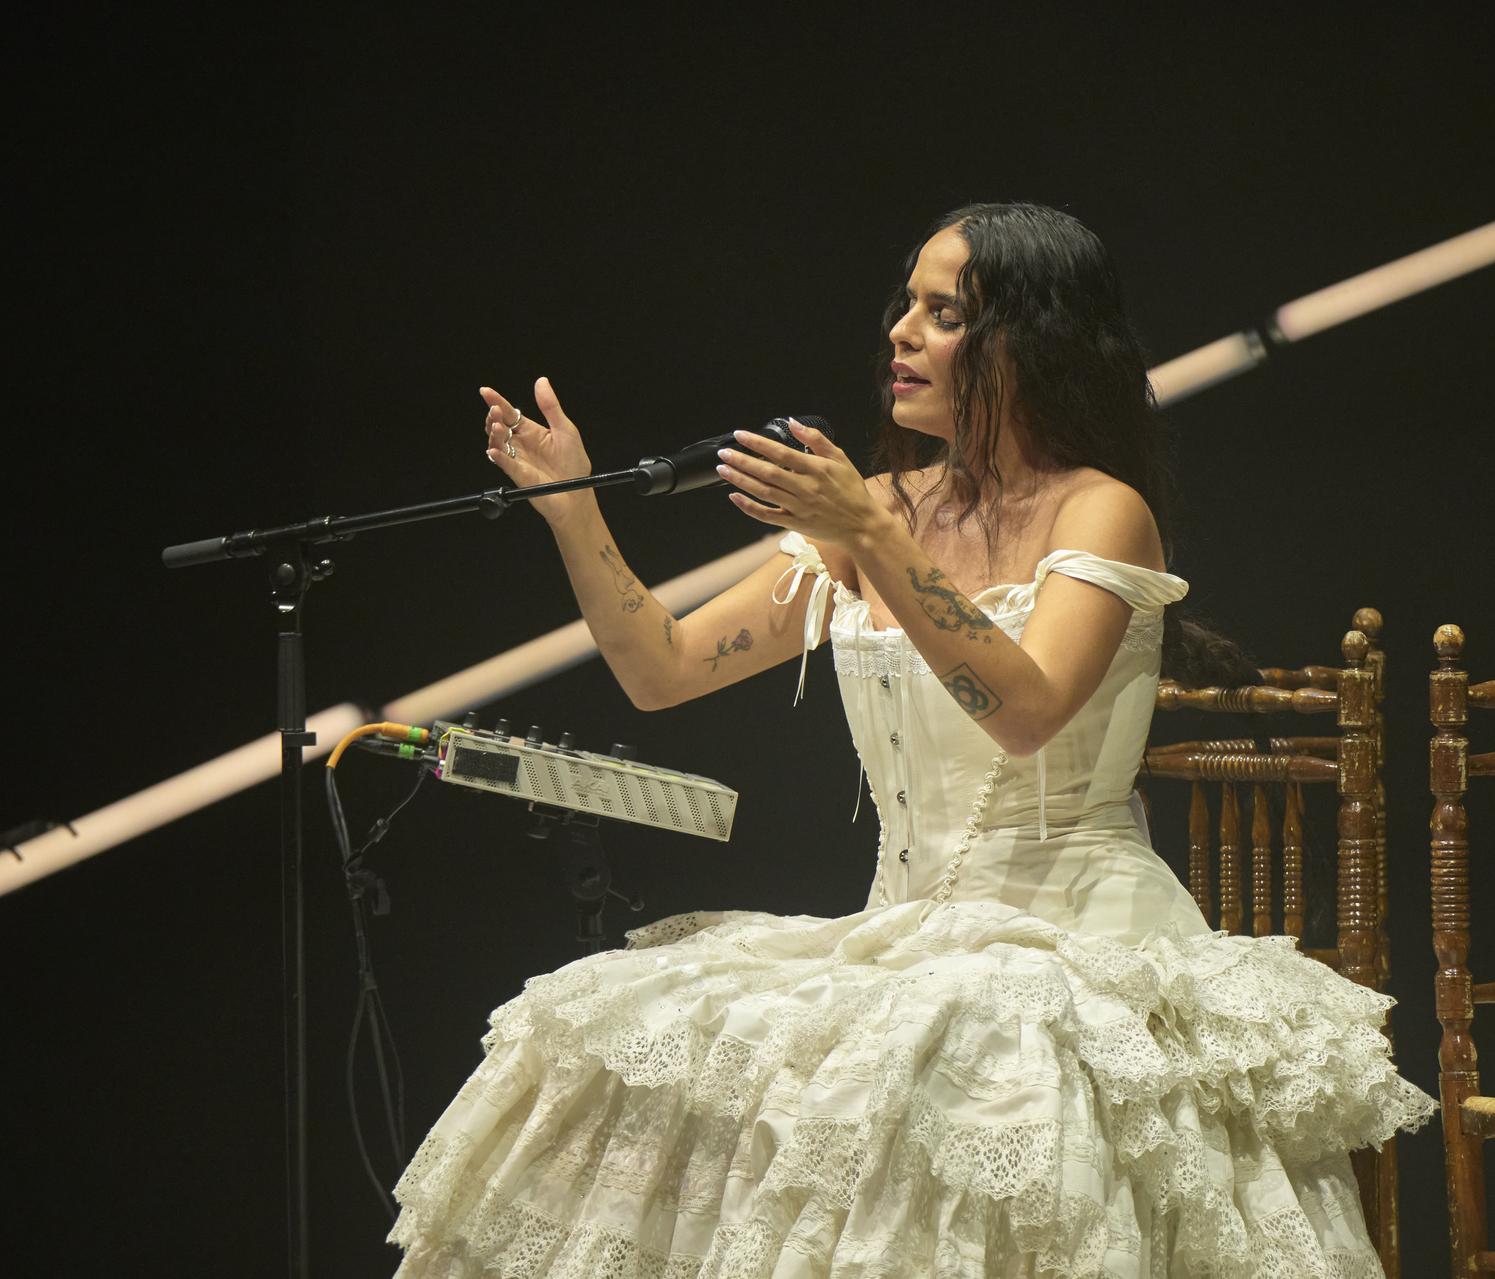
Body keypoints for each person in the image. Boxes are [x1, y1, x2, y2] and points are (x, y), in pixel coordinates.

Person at [389, 202, 1432, 1277]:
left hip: (1076, 939)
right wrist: (571, 509)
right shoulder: (880, 509)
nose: (900, 331)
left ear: (1027, 344)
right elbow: (662, 668)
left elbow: (1026, 713)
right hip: (903, 936)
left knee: (981, 1046)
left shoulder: (1099, 512)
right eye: (907, 304)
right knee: (609, 1036)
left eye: (943, 313)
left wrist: (873, 536)